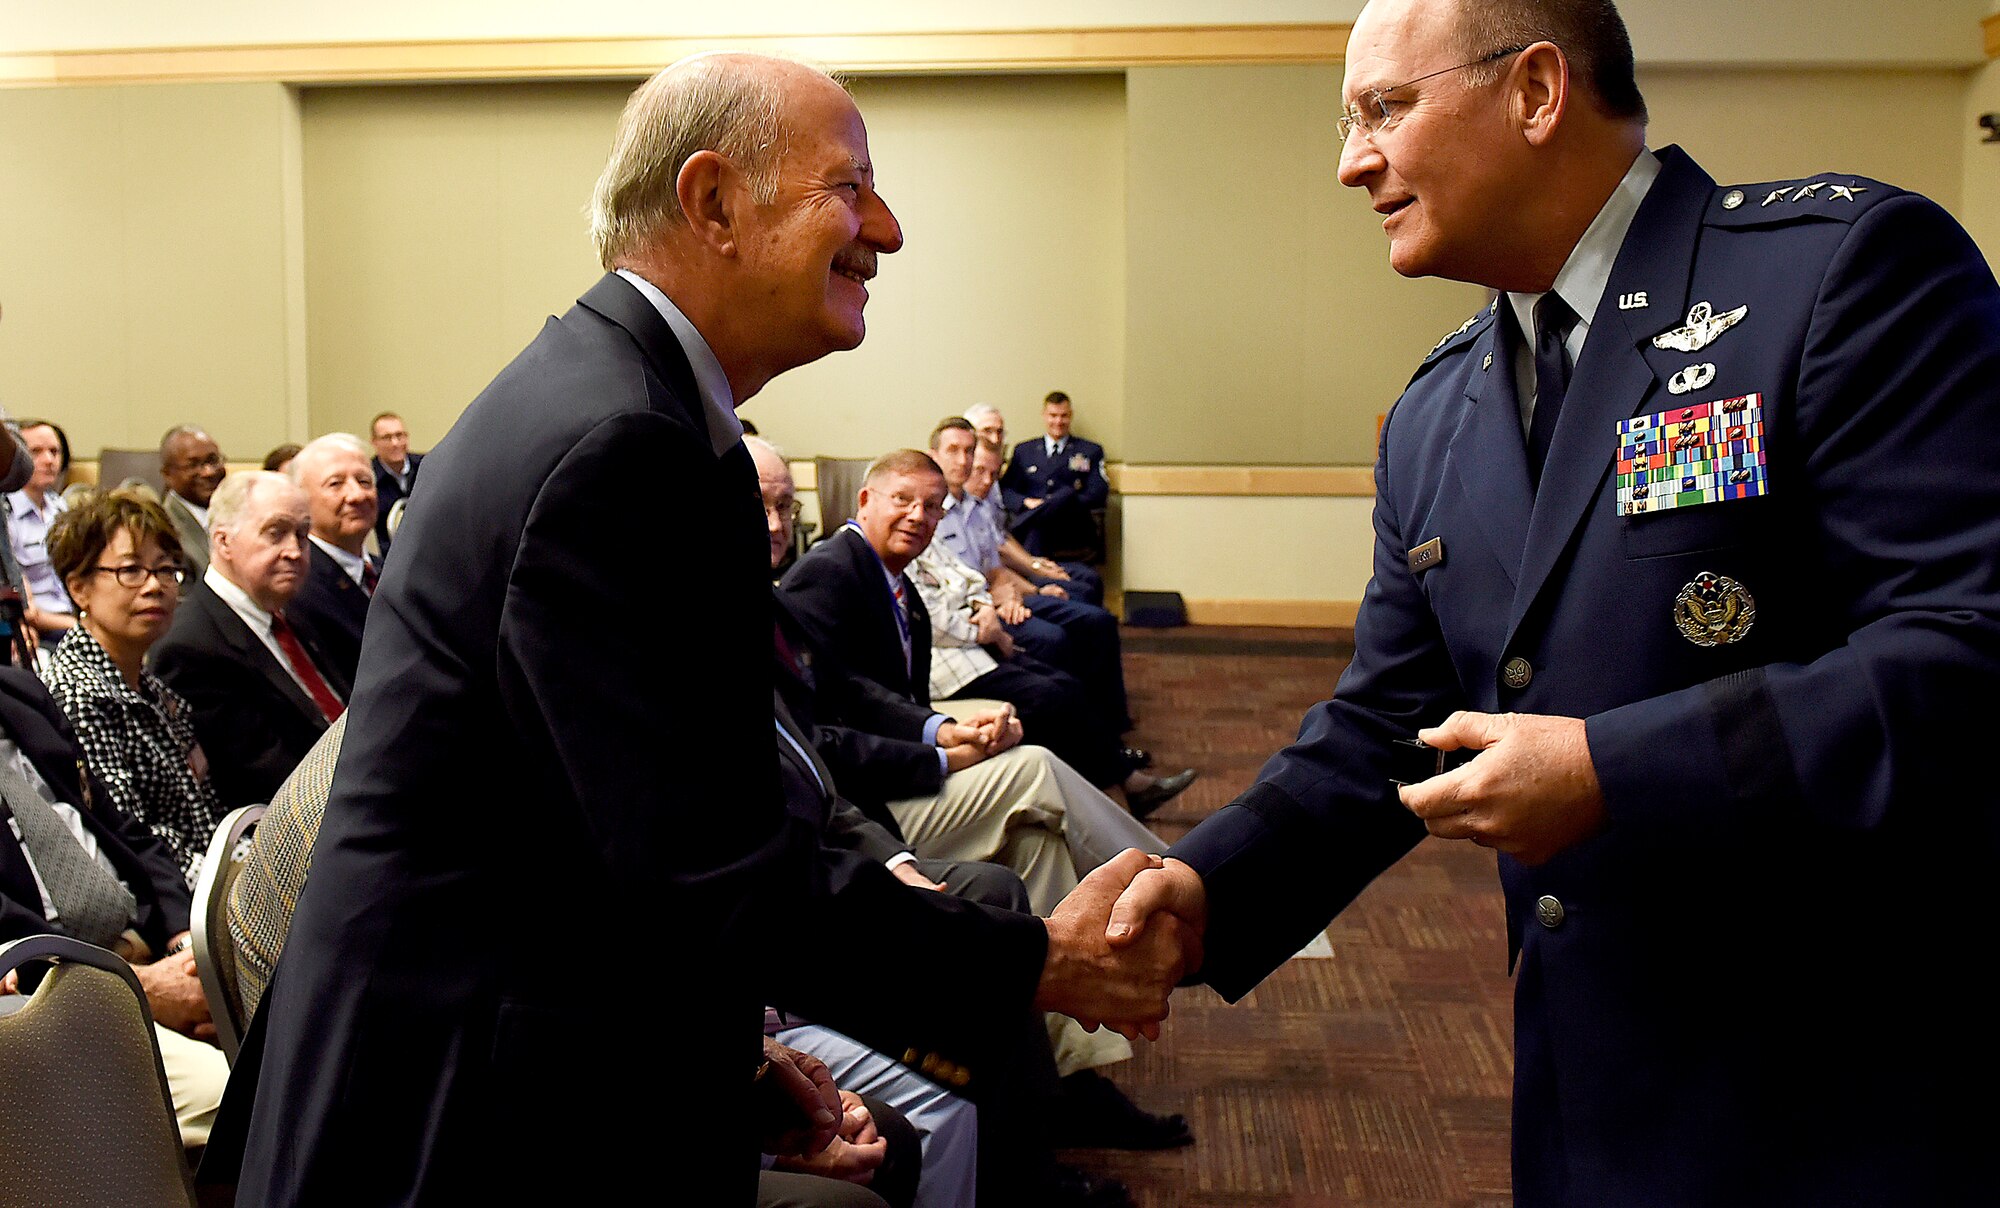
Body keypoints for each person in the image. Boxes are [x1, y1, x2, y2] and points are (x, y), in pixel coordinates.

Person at [221, 53, 1184, 1207]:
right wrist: (1034, 961)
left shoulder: (619, 401)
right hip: (468, 1120)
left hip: (518, 1059)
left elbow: (593, 837)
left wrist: (728, 1053)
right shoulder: (622, 443)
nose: (885, 225)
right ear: (713, 201)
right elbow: (705, 865)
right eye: (849, 186)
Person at [1104, 1, 2000, 1205]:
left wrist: (1613, 770)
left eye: (1382, 108)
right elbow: (1389, 728)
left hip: (1836, 1091)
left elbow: (1963, 657)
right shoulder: (1434, 413)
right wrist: (1212, 886)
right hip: (1585, 1087)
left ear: (1533, 92)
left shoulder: (1832, 276)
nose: (1348, 158)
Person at [782, 451, 1192, 815]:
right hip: (862, 788)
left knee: (1039, 829)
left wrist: (941, 730)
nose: (916, 516)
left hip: (904, 732)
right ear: (866, 501)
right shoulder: (829, 571)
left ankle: (1129, 853)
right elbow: (839, 707)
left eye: (930, 507)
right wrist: (942, 745)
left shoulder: (887, 570)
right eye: (902, 500)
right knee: (1037, 760)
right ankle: (1147, 862)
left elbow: (867, 692)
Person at [0, 665, 225, 1147]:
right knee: (231, 1092)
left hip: (148, 940)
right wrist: (137, 987)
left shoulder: (16, 689)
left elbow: (123, 832)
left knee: (313, 1026)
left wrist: (186, 945)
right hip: (52, 987)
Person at [41, 489, 222, 881]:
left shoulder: (160, 694)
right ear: (79, 588)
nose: (154, 586)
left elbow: (207, 820)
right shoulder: (76, 697)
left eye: (165, 569)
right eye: (131, 570)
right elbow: (129, 840)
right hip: (165, 904)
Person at [149, 471, 347, 812]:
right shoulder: (189, 648)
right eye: (276, 533)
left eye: (302, 535)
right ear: (224, 542)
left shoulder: (293, 611)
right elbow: (268, 777)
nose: (295, 552)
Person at [931, 417, 1127, 726]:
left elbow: (993, 569)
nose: (963, 460)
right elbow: (947, 589)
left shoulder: (976, 507)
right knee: (1053, 639)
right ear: (934, 456)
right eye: (953, 451)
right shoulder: (930, 513)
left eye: (969, 451)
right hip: (972, 614)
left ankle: (1109, 723)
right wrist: (1002, 601)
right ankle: (1077, 729)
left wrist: (1024, 591)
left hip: (1000, 599)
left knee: (1097, 621)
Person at [285, 433, 381, 684]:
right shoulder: (298, 586)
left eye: (364, 481)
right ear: (301, 500)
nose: (357, 495)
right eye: (336, 484)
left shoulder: (392, 571)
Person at [965, 438, 1102, 607]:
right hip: (997, 587)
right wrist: (1037, 571)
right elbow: (998, 556)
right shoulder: (955, 509)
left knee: (1088, 585)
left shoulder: (983, 502)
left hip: (1023, 561)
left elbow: (1001, 538)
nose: (987, 480)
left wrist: (1034, 563)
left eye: (994, 474)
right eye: (979, 470)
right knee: (1082, 605)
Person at [998, 392, 1107, 561]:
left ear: (1071, 416)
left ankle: (1034, 573)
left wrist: (1058, 505)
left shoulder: (1089, 451)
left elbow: (1098, 494)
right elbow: (1005, 490)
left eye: (1063, 416)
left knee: (1066, 495)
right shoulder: (1024, 451)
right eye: (1053, 415)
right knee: (1038, 525)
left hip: (1070, 527)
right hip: (1033, 526)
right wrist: (1026, 502)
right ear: (1044, 416)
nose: (1058, 421)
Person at [5, 418, 76, 648]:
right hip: (45, 630)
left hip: (74, 618)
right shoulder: (7, 516)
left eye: (54, 452)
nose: (49, 460)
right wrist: (82, 626)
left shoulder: (60, 508)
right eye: (36, 452)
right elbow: (28, 610)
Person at [158, 425, 226, 580]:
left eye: (213, 460)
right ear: (168, 474)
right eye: (193, 465)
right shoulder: (164, 528)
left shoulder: (237, 513)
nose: (208, 471)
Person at [367, 412, 420, 554]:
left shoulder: (427, 467)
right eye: (387, 437)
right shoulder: (367, 479)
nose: (395, 443)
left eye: (399, 435)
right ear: (374, 442)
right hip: (388, 560)